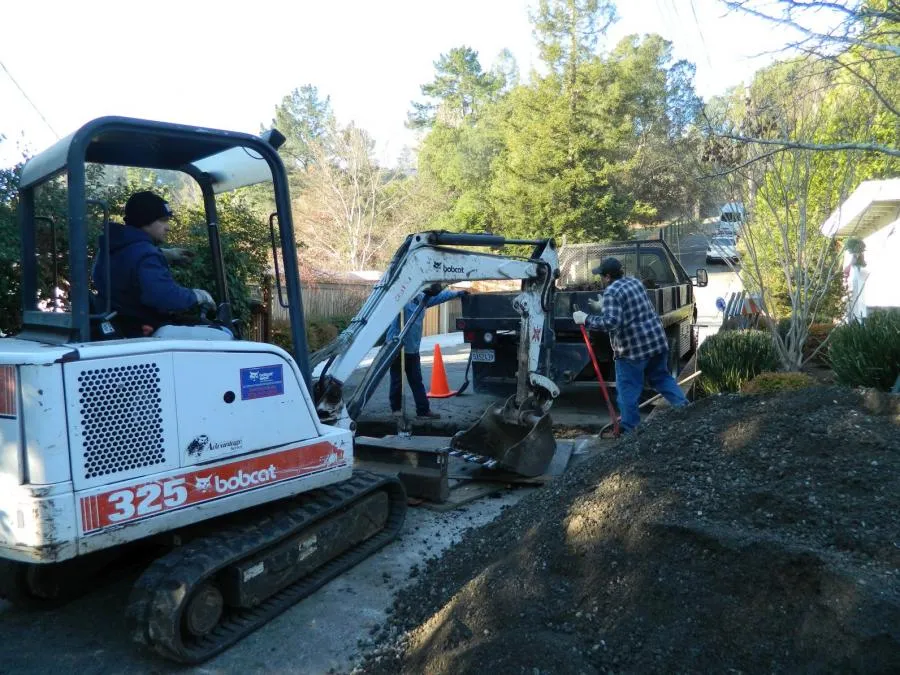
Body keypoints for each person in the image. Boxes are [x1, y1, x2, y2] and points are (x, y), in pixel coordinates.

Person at [572, 257, 688, 433]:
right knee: (662, 378)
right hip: (656, 342)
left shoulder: (611, 292)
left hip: (632, 351)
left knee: (627, 391)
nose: (601, 279)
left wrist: (586, 319)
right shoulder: (634, 283)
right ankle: (686, 409)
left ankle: (630, 431)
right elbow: (628, 308)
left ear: (608, 276)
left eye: (602, 276)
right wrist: (603, 307)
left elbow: (612, 323)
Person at [93, 191, 215, 337]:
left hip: (122, 322)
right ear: (145, 220)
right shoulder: (147, 255)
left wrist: (166, 254)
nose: (167, 227)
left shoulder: (113, 246)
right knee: (221, 333)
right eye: (163, 220)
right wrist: (198, 296)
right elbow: (165, 297)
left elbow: (130, 258)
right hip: (143, 329)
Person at [386, 283, 467, 419]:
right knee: (397, 380)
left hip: (413, 348)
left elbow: (439, 296)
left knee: (417, 380)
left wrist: (457, 293)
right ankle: (396, 409)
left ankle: (423, 411)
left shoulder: (422, 298)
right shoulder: (400, 299)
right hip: (397, 347)